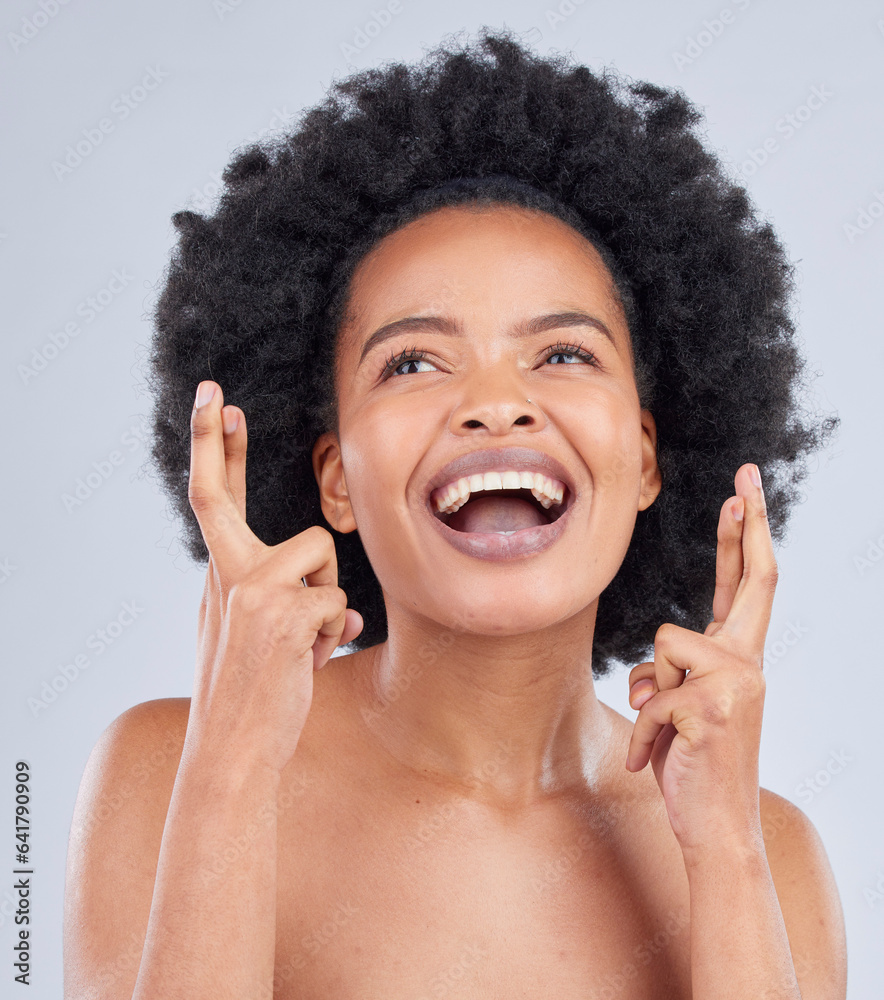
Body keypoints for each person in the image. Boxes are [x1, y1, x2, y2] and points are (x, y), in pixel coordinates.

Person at [63, 28, 847, 999]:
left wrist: (722, 854)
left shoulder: (772, 851)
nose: (493, 401)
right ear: (334, 477)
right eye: (412, 361)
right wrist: (230, 770)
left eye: (561, 353)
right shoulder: (167, 769)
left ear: (645, 457)